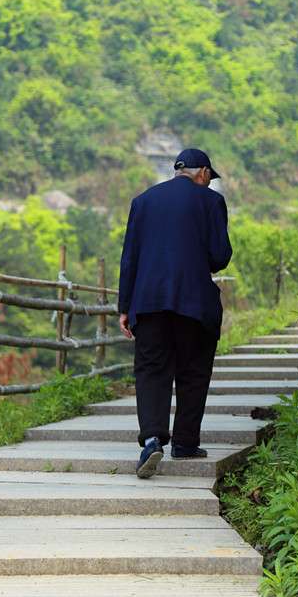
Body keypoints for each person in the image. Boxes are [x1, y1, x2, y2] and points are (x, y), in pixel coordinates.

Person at [118, 148, 232, 478]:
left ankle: (152, 439)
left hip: (148, 301)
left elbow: (130, 259)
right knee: (193, 368)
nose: (210, 183)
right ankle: (184, 442)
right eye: (210, 177)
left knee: (152, 368)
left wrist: (125, 308)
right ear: (202, 172)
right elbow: (219, 257)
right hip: (193, 300)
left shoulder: (143, 201)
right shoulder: (210, 202)